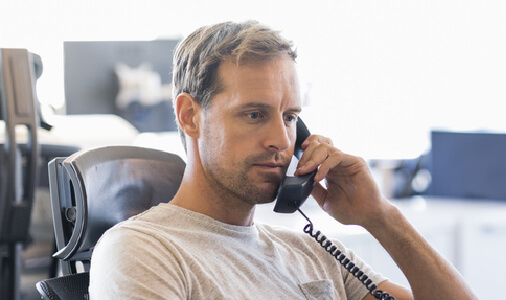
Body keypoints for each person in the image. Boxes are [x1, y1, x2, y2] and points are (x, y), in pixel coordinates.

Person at [89, 20, 477, 300]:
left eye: (290, 117)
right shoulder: (144, 250)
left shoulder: (313, 252)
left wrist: (381, 218)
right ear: (190, 115)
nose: (281, 140)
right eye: (254, 114)